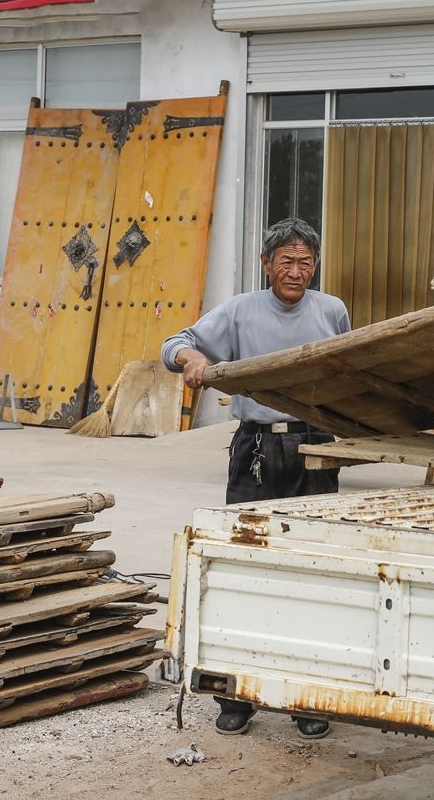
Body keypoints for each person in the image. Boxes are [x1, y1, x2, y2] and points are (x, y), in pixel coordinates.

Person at [161, 216, 349, 739]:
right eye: (285, 261)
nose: (296, 271)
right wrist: (194, 357)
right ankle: (236, 695)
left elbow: (347, 372)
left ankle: (309, 698)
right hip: (258, 450)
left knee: (314, 569)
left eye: (305, 261)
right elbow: (174, 342)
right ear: (266, 265)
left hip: (315, 447)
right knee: (243, 567)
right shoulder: (241, 311)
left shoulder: (332, 309)